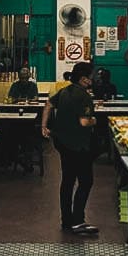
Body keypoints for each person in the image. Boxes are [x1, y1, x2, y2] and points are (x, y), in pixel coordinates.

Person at [41, 61, 99, 235]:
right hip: (78, 145)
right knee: (86, 181)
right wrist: (95, 120)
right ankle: (78, 221)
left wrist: (43, 126)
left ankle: (66, 220)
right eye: (90, 77)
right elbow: (84, 122)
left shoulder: (65, 91)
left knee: (67, 181)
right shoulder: (84, 96)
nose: (92, 79)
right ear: (83, 79)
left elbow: (48, 104)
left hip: (62, 142)